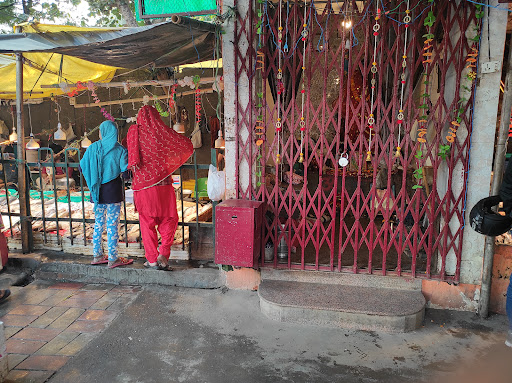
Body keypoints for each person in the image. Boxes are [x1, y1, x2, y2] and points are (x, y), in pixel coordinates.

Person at [127, 105, 193, 270]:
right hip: (163, 184)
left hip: (143, 187)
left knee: (147, 223)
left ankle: (152, 260)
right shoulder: (161, 132)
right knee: (169, 218)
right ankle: (164, 251)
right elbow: (182, 143)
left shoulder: (134, 132)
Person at [80, 121, 133, 269]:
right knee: (112, 225)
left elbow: (82, 166)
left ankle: (97, 255)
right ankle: (113, 258)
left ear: (102, 133)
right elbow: (125, 173)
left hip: (96, 192)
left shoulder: (93, 148)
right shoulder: (120, 150)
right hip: (113, 192)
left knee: (98, 223)